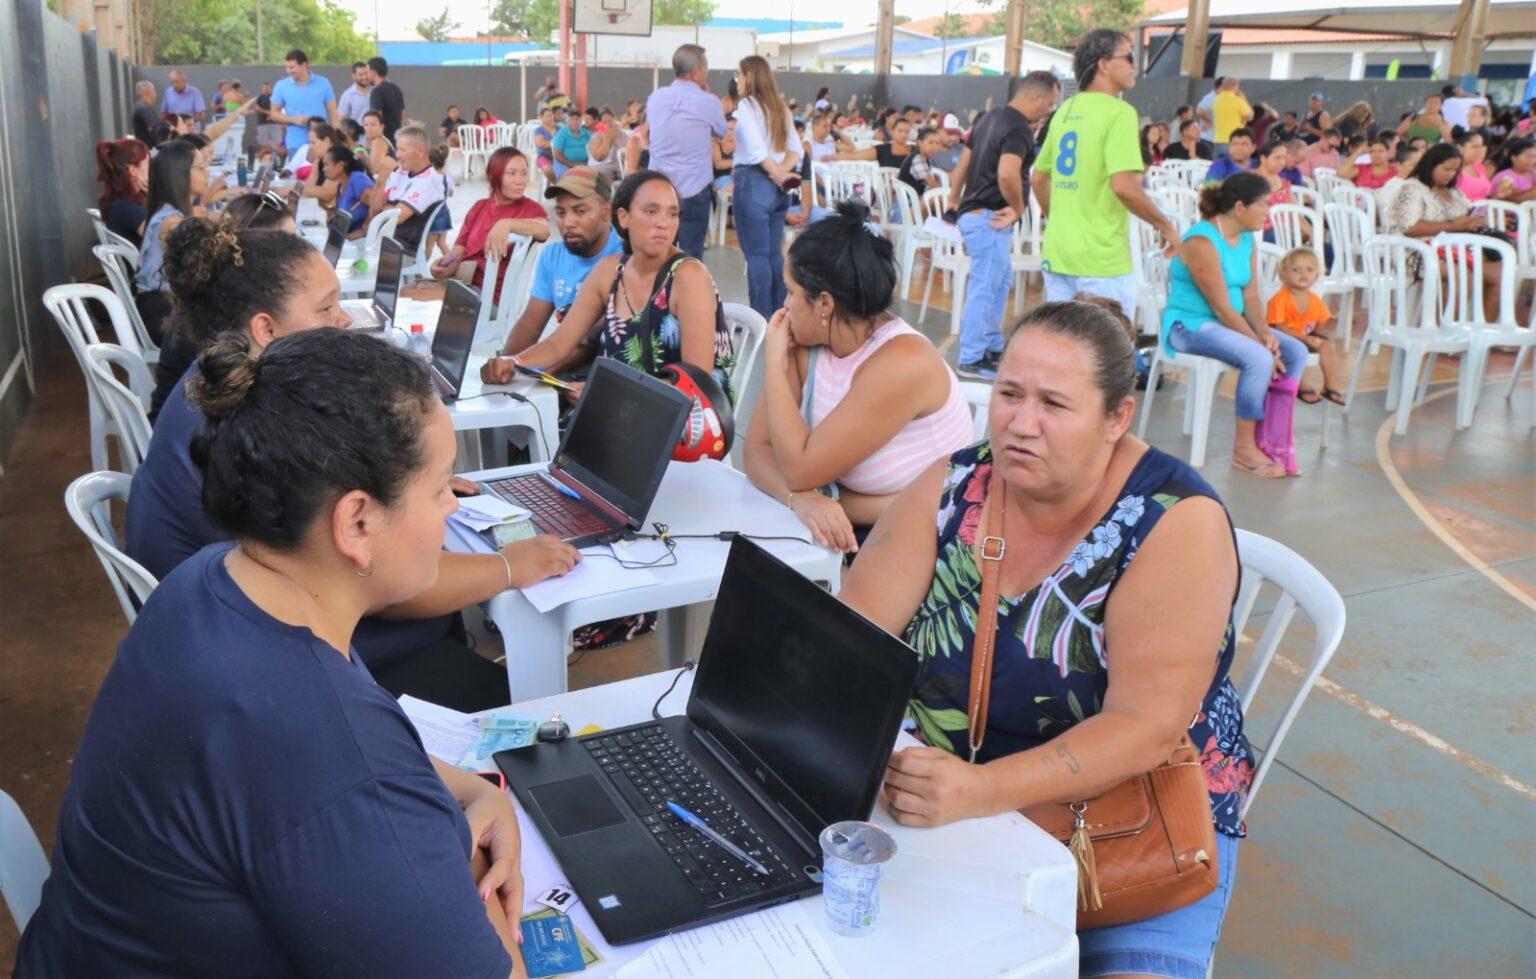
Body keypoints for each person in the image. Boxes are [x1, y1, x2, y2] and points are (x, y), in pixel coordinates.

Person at [18, 326, 546, 978]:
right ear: (356, 522)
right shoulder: (325, 751)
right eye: (440, 487)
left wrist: (473, 791)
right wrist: (473, 883)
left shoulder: (217, 581)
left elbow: (319, 775)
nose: (450, 508)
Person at [838, 299, 1252, 979]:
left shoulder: (1175, 522)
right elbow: (854, 635)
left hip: (1140, 818)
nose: (1020, 424)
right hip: (945, 794)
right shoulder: (954, 486)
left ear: (1117, 418)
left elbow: (1143, 729)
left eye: (1054, 404)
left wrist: (979, 790)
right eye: (1008, 393)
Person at [133, 221, 581, 672]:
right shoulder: (248, 421)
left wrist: (415, 482)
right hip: (273, 653)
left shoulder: (226, 384)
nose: (344, 319)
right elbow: (381, 581)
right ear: (266, 329)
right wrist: (509, 567)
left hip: (229, 626)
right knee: (446, 628)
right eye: (327, 308)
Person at [743, 200, 972, 553]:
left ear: (825, 304)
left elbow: (801, 470)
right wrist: (801, 500)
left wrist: (773, 366)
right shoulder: (810, 339)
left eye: (790, 292)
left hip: (929, 537)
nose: (784, 306)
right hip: (853, 526)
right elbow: (758, 451)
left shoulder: (902, 363)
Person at [490, 171, 735, 400]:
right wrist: (513, 362)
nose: (663, 223)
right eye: (651, 211)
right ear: (623, 217)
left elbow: (696, 381)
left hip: (684, 418)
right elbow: (559, 343)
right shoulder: (610, 271)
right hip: (624, 407)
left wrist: (605, 393)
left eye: (672, 213)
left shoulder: (688, 276)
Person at [1161, 173, 1307, 478]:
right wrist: (1260, 345)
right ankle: (1243, 447)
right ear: (1240, 207)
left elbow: (1251, 295)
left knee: (1294, 351)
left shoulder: (1247, 239)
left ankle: (1273, 439)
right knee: (1258, 357)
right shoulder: (1202, 240)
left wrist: (1266, 333)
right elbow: (1221, 306)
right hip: (1189, 326)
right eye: (1264, 205)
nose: (1269, 211)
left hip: (1227, 324)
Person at [1034, 34, 1178, 322]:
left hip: (1059, 251)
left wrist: (1059, 218)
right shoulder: (1120, 112)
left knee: (1065, 347)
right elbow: (1124, 186)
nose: (1135, 65)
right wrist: (1165, 225)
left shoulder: (1065, 110)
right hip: (1100, 259)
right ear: (1103, 65)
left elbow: (1038, 178)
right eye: (1129, 57)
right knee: (1107, 355)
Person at [948, 72, 1060, 381]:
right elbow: (1008, 173)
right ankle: (971, 356)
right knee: (986, 286)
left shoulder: (989, 118)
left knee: (997, 282)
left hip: (977, 215)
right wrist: (1019, 207)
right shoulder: (1018, 128)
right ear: (1035, 98)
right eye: (1049, 104)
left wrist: (953, 199)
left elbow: (963, 165)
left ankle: (991, 346)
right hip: (988, 217)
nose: (1048, 111)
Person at [482, 167, 624, 371]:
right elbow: (530, 324)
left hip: (606, 370)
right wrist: (503, 365)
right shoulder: (553, 256)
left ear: (606, 212)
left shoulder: (624, 260)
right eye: (560, 212)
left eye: (580, 211)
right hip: (561, 363)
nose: (568, 222)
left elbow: (588, 341)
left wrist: (533, 373)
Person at [731, 55, 801, 318]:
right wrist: (782, 173)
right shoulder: (779, 106)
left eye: (739, 74)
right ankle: (779, 313)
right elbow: (796, 149)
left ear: (749, 75)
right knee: (773, 252)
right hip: (778, 188)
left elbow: (757, 152)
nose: (737, 80)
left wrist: (776, 173)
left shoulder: (747, 106)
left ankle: (759, 317)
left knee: (756, 255)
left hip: (755, 182)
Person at [431, 147, 550, 301]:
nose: (520, 180)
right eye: (512, 173)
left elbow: (544, 230)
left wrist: (507, 223)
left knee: (419, 302)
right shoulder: (479, 207)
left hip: (491, 299)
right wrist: (443, 265)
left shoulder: (531, 209)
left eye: (524, 173)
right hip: (464, 284)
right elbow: (458, 252)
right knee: (412, 295)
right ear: (493, 175)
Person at [646, 44, 729, 259]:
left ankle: (658, 292)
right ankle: (686, 292)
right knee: (690, 257)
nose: (707, 71)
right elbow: (721, 131)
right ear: (696, 72)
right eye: (706, 66)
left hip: (659, 187)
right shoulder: (708, 101)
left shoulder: (656, 98)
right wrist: (708, 98)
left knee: (658, 253)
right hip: (695, 188)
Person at [135, 140, 207, 344]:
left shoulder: (169, 212)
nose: (208, 174)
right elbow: (195, 275)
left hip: (166, 303)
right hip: (164, 315)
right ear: (180, 175)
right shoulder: (173, 222)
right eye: (201, 168)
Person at [1268, 248, 1344, 406]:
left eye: (1309, 270)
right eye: (1296, 270)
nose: (1303, 274)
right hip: (1282, 341)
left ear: (1316, 275)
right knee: (1297, 350)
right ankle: (1301, 385)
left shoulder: (1315, 300)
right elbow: (1278, 327)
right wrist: (1304, 339)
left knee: (1327, 345)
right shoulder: (1280, 299)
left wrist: (1316, 337)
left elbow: (1322, 322)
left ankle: (1330, 385)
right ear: (1284, 275)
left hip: (1303, 338)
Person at [366, 125, 443, 255]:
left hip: (400, 250)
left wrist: (385, 207)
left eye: (402, 150)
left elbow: (394, 218)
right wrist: (381, 180)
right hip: (379, 242)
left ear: (420, 151)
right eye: (397, 149)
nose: (397, 155)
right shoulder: (400, 172)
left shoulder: (430, 180)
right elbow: (374, 210)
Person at [268, 49, 337, 160]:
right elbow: (274, 114)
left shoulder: (323, 82)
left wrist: (335, 138)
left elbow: (333, 112)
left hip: (321, 143)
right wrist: (294, 119)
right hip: (295, 143)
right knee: (299, 176)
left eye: (292, 67)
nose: (289, 71)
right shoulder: (281, 86)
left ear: (304, 65)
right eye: (287, 67)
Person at [95, 138, 149, 246]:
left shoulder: (120, 200)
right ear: (133, 170)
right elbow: (162, 239)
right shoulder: (126, 208)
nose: (152, 168)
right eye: (148, 164)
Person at [321, 146, 374, 233]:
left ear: (340, 165)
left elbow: (376, 206)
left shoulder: (357, 179)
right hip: (345, 238)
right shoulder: (340, 186)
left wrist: (363, 230)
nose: (324, 169)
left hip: (359, 242)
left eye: (326, 165)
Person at [1211, 78, 1253, 155]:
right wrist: (1244, 99)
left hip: (1217, 141)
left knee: (1219, 166)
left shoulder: (1216, 100)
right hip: (1233, 141)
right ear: (1234, 87)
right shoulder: (1237, 100)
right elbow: (1250, 117)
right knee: (1233, 166)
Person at [368, 56, 405, 143]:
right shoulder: (396, 89)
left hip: (383, 140)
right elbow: (402, 114)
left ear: (373, 72)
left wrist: (375, 141)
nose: (367, 75)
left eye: (368, 71)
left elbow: (375, 117)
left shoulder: (377, 91)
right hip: (396, 139)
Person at [898, 127, 944, 195]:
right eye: (930, 142)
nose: (934, 147)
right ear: (920, 142)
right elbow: (933, 186)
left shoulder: (926, 158)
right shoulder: (917, 159)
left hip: (916, 199)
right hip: (909, 202)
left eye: (937, 143)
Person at [1490, 137, 1536, 203]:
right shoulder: (1506, 177)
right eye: (1528, 156)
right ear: (1514, 158)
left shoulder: (1533, 173)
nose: (1532, 160)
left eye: (1534, 157)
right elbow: (1510, 201)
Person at [1453, 129, 1494, 201]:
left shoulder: (1479, 167)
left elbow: (1484, 196)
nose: (1479, 151)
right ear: (1460, 148)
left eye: (1481, 147)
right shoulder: (1452, 170)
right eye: (1475, 147)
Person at [551, 109, 593, 178]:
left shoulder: (586, 133)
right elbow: (557, 154)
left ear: (580, 121)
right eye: (572, 119)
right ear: (567, 121)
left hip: (583, 164)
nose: (574, 122)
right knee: (568, 178)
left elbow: (593, 151)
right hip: (564, 163)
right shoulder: (562, 133)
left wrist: (586, 163)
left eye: (577, 119)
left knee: (592, 177)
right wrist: (571, 164)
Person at [362, 109, 397, 177]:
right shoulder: (368, 142)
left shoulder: (379, 142)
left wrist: (361, 156)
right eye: (366, 125)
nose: (369, 128)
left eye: (373, 125)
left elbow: (373, 170)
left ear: (381, 127)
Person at [533, 105, 560, 183]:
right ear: (541, 117)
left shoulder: (559, 129)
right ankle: (557, 185)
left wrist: (549, 142)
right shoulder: (539, 130)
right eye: (547, 115)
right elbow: (541, 143)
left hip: (559, 156)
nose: (550, 117)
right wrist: (555, 143)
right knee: (548, 169)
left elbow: (565, 142)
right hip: (544, 156)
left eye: (551, 115)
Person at [131, 80, 160, 145]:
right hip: (150, 148)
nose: (155, 93)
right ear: (147, 91)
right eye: (154, 90)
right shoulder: (144, 108)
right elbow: (153, 128)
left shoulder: (140, 106)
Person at [1195, 79, 1220, 145]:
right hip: (1208, 137)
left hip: (1216, 138)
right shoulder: (1210, 98)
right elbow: (1199, 111)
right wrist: (1209, 121)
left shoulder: (1220, 98)